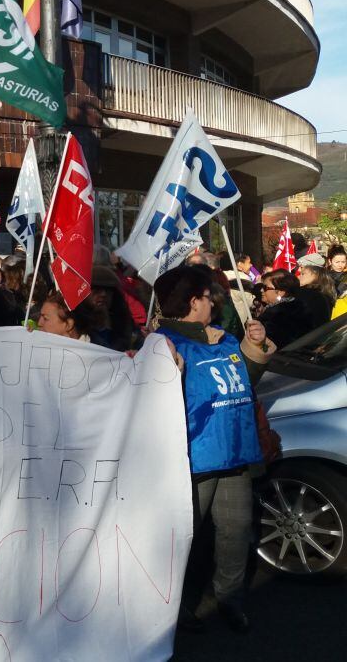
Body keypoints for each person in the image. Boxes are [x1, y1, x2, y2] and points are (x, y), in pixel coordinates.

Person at [153, 266, 271, 634]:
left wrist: (254, 346)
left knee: (235, 531)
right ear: (193, 301)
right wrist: (164, 368)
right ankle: (172, 606)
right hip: (194, 459)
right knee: (184, 537)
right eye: (208, 296)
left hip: (235, 453)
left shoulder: (223, 339)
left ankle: (228, 598)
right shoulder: (164, 342)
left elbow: (244, 384)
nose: (214, 302)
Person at [258, 269, 318, 348]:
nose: (261, 290)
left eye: (265, 288)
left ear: (281, 292)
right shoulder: (301, 307)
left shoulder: (274, 315)